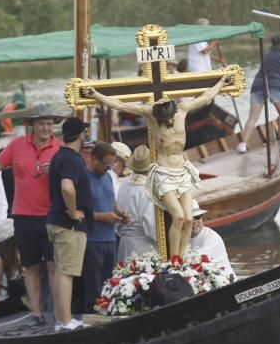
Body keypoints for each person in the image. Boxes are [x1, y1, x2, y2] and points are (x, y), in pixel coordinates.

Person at [84, 75, 229, 259]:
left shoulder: (183, 110)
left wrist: (221, 83)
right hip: (164, 174)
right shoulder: (151, 113)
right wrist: (97, 94)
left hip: (182, 171)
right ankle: (174, 259)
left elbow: (205, 97)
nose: (167, 123)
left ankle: (182, 258)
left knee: (189, 219)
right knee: (178, 217)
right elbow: (121, 105)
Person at [0, 103, 63, 320]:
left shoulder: (60, 149)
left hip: (51, 216)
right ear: (32, 125)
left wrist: (56, 170)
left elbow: (72, 180)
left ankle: (57, 311)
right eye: (42, 123)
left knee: (54, 266)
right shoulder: (16, 145)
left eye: (49, 123)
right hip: (24, 217)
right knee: (30, 267)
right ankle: (36, 312)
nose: (46, 128)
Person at [46, 117, 93, 331]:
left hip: (55, 221)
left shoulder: (58, 156)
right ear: (80, 135)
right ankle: (64, 321)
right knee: (67, 273)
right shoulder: (72, 159)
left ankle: (59, 318)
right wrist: (73, 211)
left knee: (60, 271)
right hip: (69, 226)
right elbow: (67, 187)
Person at [236, 33, 280, 154]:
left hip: (258, 85)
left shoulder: (266, 54)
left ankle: (242, 144)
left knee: (253, 117)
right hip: (274, 86)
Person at [84, 142, 127, 312]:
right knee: (93, 285)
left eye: (112, 164)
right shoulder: (84, 179)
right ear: (94, 158)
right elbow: (79, 212)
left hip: (110, 238)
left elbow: (111, 199)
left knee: (110, 283)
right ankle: (91, 314)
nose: (109, 168)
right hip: (92, 240)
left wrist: (120, 213)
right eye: (105, 164)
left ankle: (108, 312)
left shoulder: (108, 176)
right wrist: (102, 216)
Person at [116, 145, 157, 260]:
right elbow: (150, 225)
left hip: (124, 243)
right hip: (143, 247)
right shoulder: (148, 189)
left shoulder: (124, 185)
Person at [189, 202, 235, 281]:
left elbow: (197, 261)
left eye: (197, 217)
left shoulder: (211, 237)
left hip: (226, 282)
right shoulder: (183, 238)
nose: (194, 221)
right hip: (202, 281)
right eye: (190, 218)